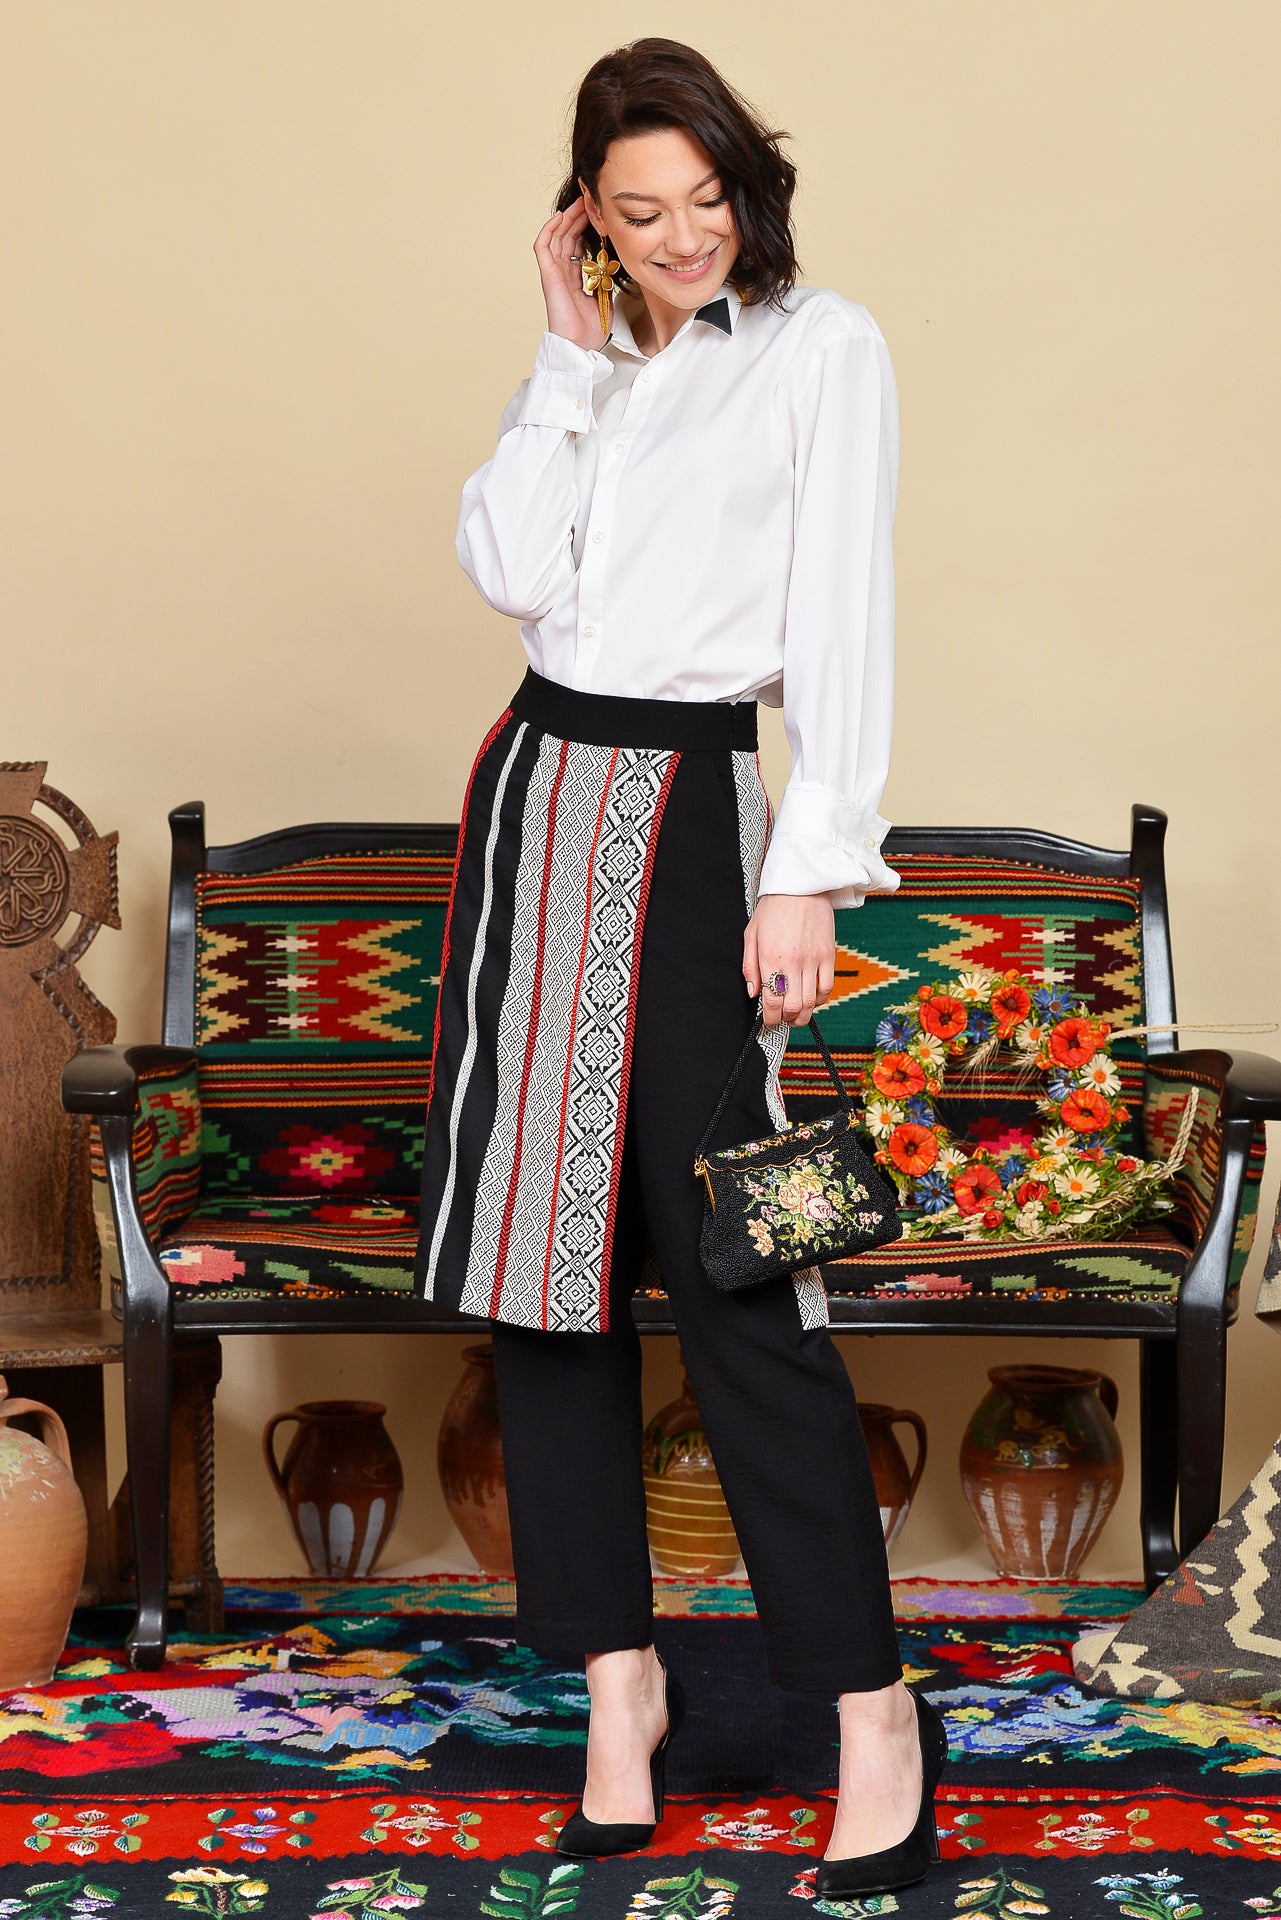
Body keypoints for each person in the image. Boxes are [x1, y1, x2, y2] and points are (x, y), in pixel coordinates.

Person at [413, 36, 947, 1902]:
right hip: (536, 804)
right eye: (636, 212)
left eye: (705, 200)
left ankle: (868, 1713)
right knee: (543, 1287)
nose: (677, 238)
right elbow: (509, 571)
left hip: (699, 812)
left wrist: (809, 871)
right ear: (586, 217)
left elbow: (846, 621)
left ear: (750, 187)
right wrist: (564, 354)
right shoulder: (588, 365)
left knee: (736, 1270)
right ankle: (615, 1691)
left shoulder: (821, 348)